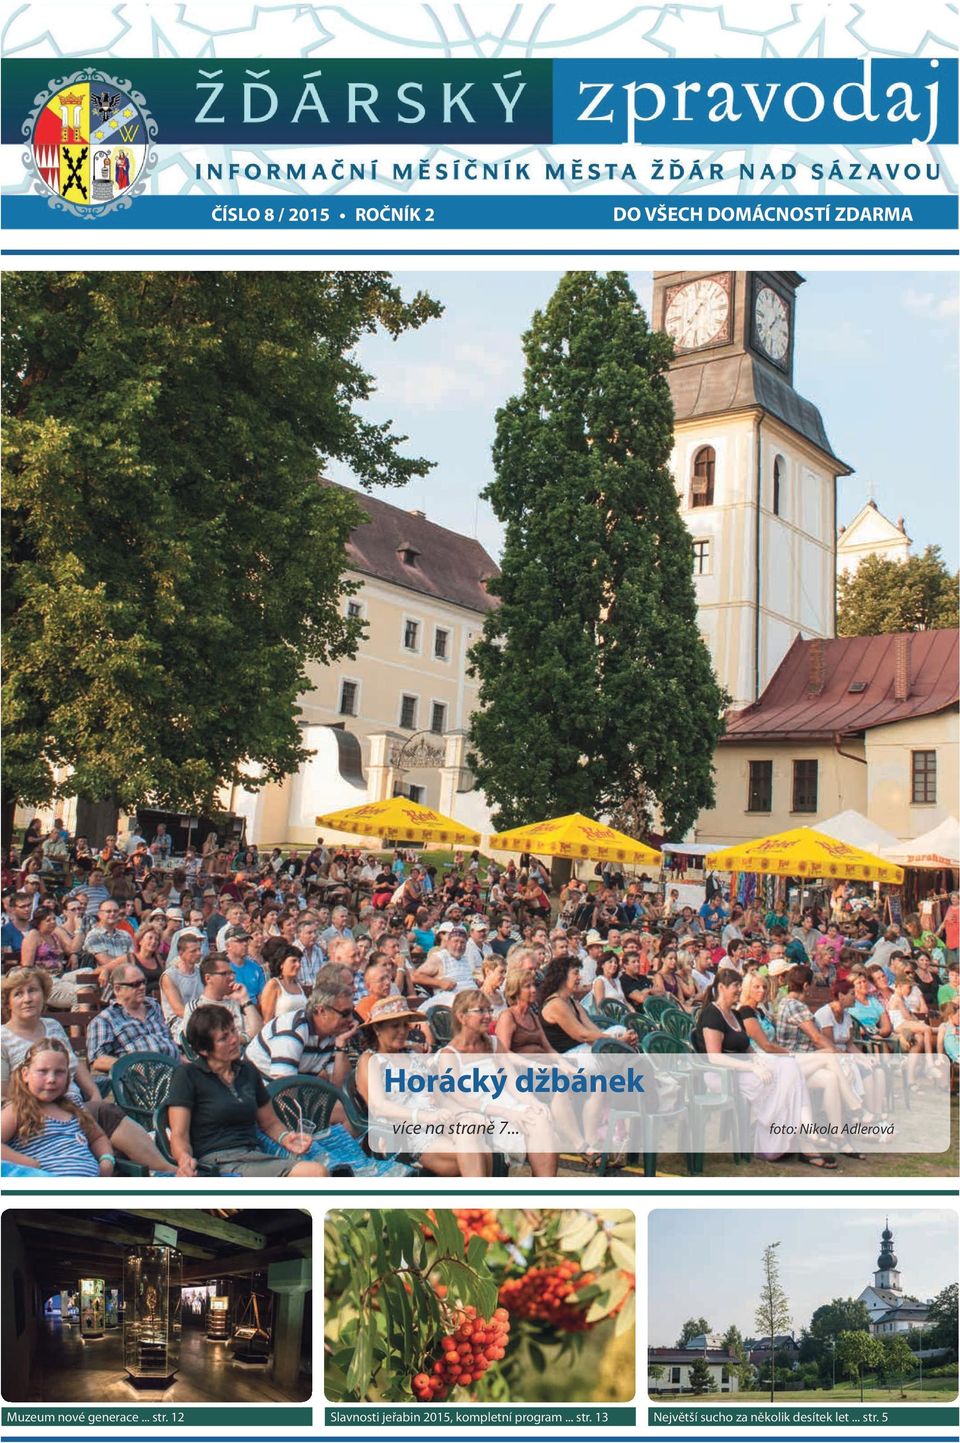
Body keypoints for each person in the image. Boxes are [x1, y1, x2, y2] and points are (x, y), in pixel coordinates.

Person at [694, 968, 833, 1167]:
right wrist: (751, 1068)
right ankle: (798, 1139)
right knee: (783, 1082)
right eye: (735, 986)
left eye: (739, 986)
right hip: (723, 1075)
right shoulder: (711, 1014)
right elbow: (715, 1058)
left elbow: (746, 1046)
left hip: (743, 1068)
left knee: (789, 1067)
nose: (738, 990)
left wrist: (758, 1059)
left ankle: (803, 1131)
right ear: (721, 987)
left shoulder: (733, 1014)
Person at [166, 1006, 326, 1177]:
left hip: (253, 1155)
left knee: (321, 1165)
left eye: (233, 1031)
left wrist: (286, 1138)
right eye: (223, 1038)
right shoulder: (188, 1075)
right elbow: (179, 1134)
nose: (234, 1040)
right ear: (204, 1050)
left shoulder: (247, 1071)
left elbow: (270, 1123)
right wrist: (184, 1159)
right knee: (314, 1172)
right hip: (216, 1163)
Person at [1, 1039, 115, 1176]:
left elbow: (98, 1137)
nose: (51, 1079)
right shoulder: (18, 1109)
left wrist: (107, 1160)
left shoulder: (74, 1107)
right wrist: (29, 1164)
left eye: (59, 1072)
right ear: (25, 1074)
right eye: (43, 1071)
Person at [244, 967, 357, 1086]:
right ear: (321, 1011)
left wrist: (341, 1045)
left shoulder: (332, 1034)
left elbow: (339, 1086)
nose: (350, 1019)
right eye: (345, 1014)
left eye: (351, 1012)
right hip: (256, 1095)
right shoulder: (293, 1030)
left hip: (289, 1094)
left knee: (340, 1104)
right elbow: (283, 1088)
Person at [85, 964, 179, 1072]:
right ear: (117, 989)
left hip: (174, 1070)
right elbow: (98, 1061)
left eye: (144, 982)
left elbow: (169, 1043)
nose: (142, 987)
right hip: (140, 1080)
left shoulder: (154, 1007)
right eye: (136, 984)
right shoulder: (105, 1020)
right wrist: (133, 1067)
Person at [183, 953, 263, 1044]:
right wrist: (244, 1039)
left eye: (232, 973)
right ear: (208, 978)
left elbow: (259, 1032)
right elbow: (207, 1042)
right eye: (225, 974)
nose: (232, 977)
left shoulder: (236, 1004)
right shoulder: (196, 1007)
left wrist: (245, 1000)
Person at [159, 932, 204, 1043]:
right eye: (193, 951)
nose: (199, 953)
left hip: (201, 1016)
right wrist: (206, 1020)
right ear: (181, 953)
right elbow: (178, 1010)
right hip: (178, 1022)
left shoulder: (201, 972)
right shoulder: (169, 976)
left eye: (199, 949)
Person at [494, 970, 552, 1053]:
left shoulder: (532, 1016)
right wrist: (531, 1064)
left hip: (544, 1061)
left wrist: (562, 1061)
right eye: (528, 986)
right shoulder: (508, 1017)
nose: (534, 990)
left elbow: (548, 1048)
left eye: (533, 985)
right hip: (524, 1064)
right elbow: (503, 1052)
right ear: (516, 991)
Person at [259, 942, 309, 1023]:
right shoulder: (274, 984)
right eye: (293, 961)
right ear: (281, 964)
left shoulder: (299, 985)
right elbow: (267, 1020)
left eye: (299, 961)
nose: (298, 965)